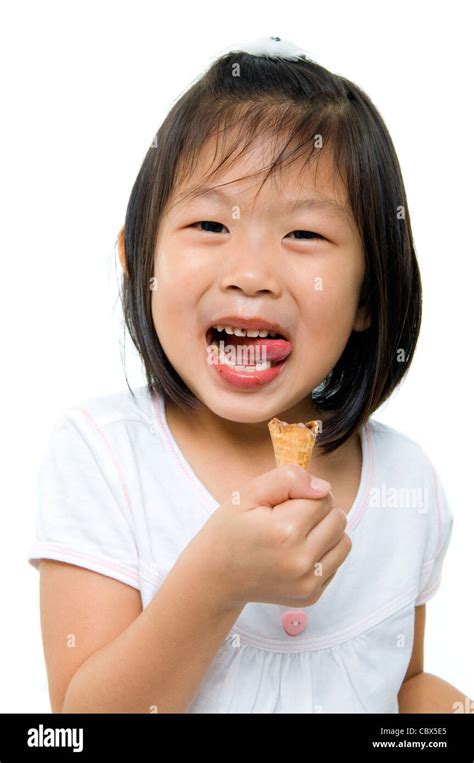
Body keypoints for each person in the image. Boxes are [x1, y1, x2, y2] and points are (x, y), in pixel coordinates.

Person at [27, 36, 468, 713]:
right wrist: (214, 581)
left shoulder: (407, 482)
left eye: (304, 235)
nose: (251, 275)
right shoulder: (103, 456)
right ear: (135, 257)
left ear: (369, 294)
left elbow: (400, 683)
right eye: (209, 223)